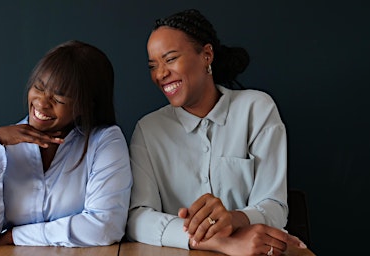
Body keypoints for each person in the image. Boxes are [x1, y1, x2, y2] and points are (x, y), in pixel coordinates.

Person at [126, 9, 307, 256]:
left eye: (170, 59)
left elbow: (274, 206)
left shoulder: (257, 109)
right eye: (153, 65)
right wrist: (220, 242)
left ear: (206, 55)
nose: (160, 74)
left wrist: (234, 219)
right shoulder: (148, 131)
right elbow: (137, 218)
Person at [0, 40, 132, 248]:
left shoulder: (105, 142)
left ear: (85, 105)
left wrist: (14, 237)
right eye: (38, 87)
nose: (42, 103)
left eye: (59, 98)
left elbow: (105, 227)